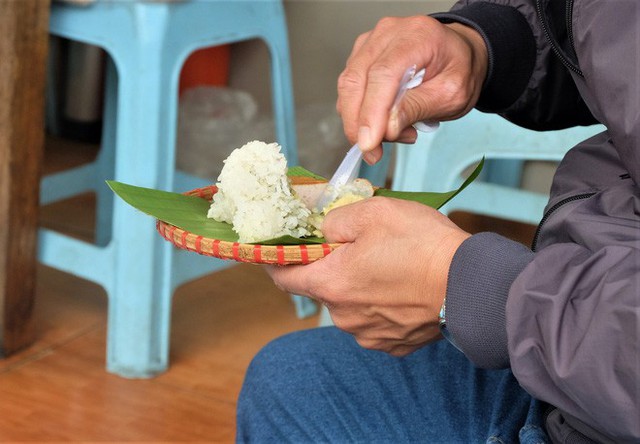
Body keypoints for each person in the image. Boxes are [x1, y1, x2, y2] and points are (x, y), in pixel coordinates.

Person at [236, 0, 640, 442]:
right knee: (290, 380)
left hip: (602, 390)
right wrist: (490, 43)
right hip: (567, 364)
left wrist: (481, 295)